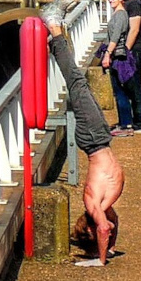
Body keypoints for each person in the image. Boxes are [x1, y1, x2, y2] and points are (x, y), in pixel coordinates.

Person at [47, 25, 122, 265]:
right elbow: (108, 226)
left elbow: (106, 226)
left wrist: (102, 256)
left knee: (77, 83)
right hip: (97, 139)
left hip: (94, 139)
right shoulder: (101, 205)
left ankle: (57, 34)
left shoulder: (98, 202)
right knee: (77, 84)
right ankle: (57, 35)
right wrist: (105, 253)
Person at [108, 0, 141, 134]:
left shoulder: (133, 4)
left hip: (134, 50)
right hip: (132, 49)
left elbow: (134, 29)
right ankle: (136, 120)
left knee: (134, 86)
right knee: (130, 85)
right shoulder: (130, 3)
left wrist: (125, 50)